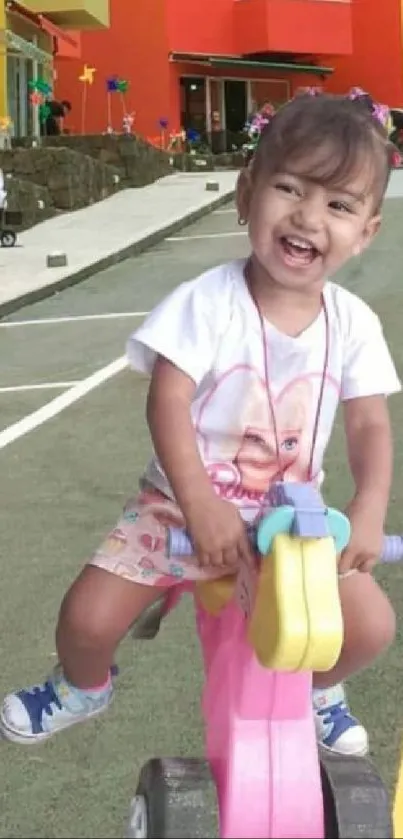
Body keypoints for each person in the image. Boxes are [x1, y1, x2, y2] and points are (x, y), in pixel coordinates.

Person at [1, 90, 401, 757]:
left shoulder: (353, 323)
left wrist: (365, 507)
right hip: (179, 507)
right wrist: (197, 501)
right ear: (246, 194)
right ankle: (81, 687)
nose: (306, 215)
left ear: (365, 231)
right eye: (288, 188)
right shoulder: (208, 301)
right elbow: (166, 398)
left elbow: (368, 424)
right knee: (86, 617)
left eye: (337, 204)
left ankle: (316, 689)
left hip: (289, 519)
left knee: (369, 627)